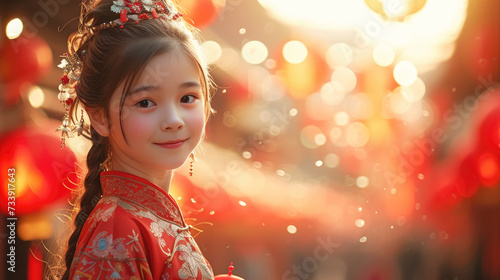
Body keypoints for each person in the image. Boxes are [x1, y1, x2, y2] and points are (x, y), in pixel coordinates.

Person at [53, 0, 215, 279]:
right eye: (145, 102)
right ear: (101, 117)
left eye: (187, 98)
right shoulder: (118, 233)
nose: (174, 120)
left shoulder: (144, 218)